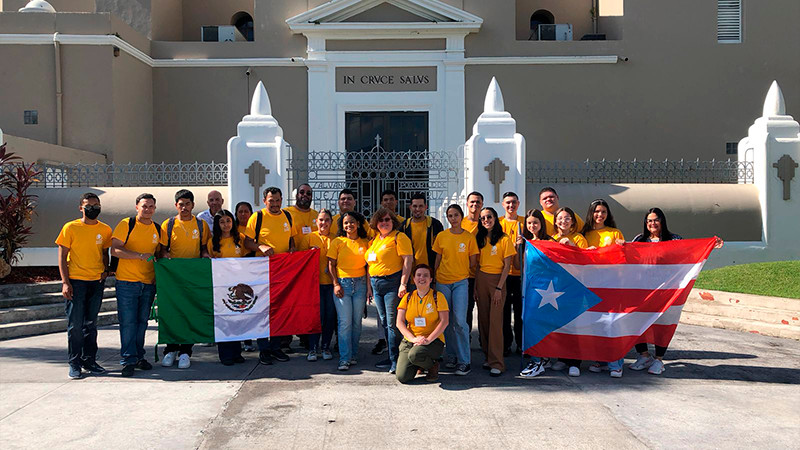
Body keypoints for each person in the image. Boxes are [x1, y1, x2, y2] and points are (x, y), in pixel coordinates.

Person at [629, 207, 723, 375]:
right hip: (644, 291)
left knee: (664, 325)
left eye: (656, 220)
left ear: (662, 221)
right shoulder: (640, 239)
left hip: (668, 292)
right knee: (639, 322)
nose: (653, 223)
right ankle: (644, 356)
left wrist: (709, 246)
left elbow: (689, 253)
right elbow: (628, 257)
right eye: (649, 220)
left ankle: (658, 359)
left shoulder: (674, 239)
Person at [55, 192, 112, 379]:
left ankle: (90, 361)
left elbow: (105, 253)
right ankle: (74, 363)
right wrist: (65, 282)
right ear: (81, 207)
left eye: (96, 205)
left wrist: (105, 270)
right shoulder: (70, 227)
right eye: (89, 205)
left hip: (96, 282)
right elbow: (62, 257)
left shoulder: (105, 229)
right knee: (75, 326)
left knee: (91, 325)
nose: (93, 208)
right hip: (76, 282)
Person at [244, 187, 298, 365]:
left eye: (277, 200)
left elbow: (291, 238)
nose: (274, 204)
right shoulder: (257, 217)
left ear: (281, 200)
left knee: (280, 309)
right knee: (262, 311)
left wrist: (291, 248)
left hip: (282, 271)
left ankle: (276, 347)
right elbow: (247, 242)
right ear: (264, 200)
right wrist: (260, 247)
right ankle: (264, 349)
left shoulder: (288, 216)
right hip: (261, 271)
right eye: (271, 200)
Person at [110, 193, 162, 377]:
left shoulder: (157, 228)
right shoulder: (127, 224)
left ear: (155, 209)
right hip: (127, 282)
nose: (147, 209)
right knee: (128, 323)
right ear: (137, 207)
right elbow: (115, 250)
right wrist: (139, 255)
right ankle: (128, 360)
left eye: (151, 207)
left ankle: (139, 356)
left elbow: (159, 253)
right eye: (144, 206)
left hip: (148, 283)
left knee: (141, 323)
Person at [160, 189, 211, 369]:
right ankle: (170, 350)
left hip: (193, 277)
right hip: (173, 277)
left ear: (193, 205)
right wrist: (166, 257)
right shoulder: (168, 224)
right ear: (176, 205)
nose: (184, 207)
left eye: (187, 204)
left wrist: (205, 256)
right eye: (181, 204)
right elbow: (163, 250)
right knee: (172, 313)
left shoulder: (201, 225)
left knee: (190, 313)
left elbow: (204, 248)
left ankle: (185, 352)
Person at [366, 207, 414, 373]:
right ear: (376, 223)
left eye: (387, 220)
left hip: (392, 283)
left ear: (393, 222)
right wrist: (369, 287)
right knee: (385, 322)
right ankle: (391, 355)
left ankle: (397, 360)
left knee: (393, 323)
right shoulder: (375, 240)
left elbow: (408, 260)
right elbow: (370, 265)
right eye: (381, 220)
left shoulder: (399, 237)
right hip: (376, 284)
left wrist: (403, 283)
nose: (384, 223)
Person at [582, 200, 626, 378]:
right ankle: (599, 359)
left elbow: (624, 258)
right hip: (591, 283)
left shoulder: (615, 233)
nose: (600, 215)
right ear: (591, 213)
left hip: (611, 283)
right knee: (595, 322)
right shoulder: (584, 234)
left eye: (603, 212)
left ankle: (615, 363)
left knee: (612, 322)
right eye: (597, 211)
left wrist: (623, 248)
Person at [433, 204, 478, 376]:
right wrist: (435, 279)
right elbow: (438, 258)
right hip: (442, 282)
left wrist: (461, 269)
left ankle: (464, 360)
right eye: (450, 216)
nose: (453, 219)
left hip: (460, 282)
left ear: (461, 216)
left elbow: (473, 261)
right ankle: (450, 355)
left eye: (456, 215)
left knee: (460, 321)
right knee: (446, 321)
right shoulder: (441, 236)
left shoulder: (469, 237)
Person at [327, 211, 372, 371]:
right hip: (343, 285)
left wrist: (368, 288)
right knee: (344, 322)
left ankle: (353, 354)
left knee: (356, 322)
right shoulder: (337, 242)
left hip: (360, 285)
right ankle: (344, 358)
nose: (349, 225)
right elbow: (331, 264)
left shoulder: (365, 242)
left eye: (352, 222)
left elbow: (369, 267)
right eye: (346, 223)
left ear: (358, 224)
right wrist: (335, 284)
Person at [474, 207, 516, 377]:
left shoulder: (504, 239)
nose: (486, 220)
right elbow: (477, 265)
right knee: (483, 321)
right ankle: (487, 356)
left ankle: (497, 362)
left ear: (495, 218)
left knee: (495, 322)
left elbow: (507, 266)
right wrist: (476, 287)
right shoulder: (480, 238)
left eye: (489, 217)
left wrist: (499, 288)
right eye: (483, 218)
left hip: (498, 281)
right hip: (482, 280)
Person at [395, 264, 450, 383]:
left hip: (432, 341)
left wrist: (428, 340)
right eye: (418, 275)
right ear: (413, 279)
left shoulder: (438, 297)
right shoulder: (407, 297)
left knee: (415, 354)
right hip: (411, 340)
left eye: (426, 275)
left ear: (431, 279)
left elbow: (444, 321)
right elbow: (399, 322)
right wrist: (413, 339)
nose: (422, 278)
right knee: (402, 377)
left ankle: (431, 366)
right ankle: (419, 363)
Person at [207, 209, 247, 366]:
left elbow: (246, 260)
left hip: (237, 285)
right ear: (217, 224)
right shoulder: (213, 242)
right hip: (221, 287)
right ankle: (225, 354)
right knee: (223, 320)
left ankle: (237, 352)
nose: (225, 225)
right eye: (222, 222)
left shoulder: (240, 239)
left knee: (236, 318)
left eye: (228, 221)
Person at [519, 209, 555, 378]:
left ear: (541, 224)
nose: (532, 226)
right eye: (529, 223)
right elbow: (519, 266)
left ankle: (538, 359)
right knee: (529, 322)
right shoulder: (525, 242)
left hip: (547, 289)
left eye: (535, 222)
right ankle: (540, 356)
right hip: (530, 288)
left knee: (538, 323)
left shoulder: (549, 242)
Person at [552, 206, 587, 376]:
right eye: (560, 218)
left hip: (575, 287)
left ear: (572, 221)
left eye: (567, 218)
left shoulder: (579, 238)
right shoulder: (552, 239)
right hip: (557, 288)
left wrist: (571, 246)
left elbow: (584, 261)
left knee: (574, 325)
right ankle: (562, 358)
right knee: (560, 324)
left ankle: (575, 362)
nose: (563, 221)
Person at [284, 183, 318, 352]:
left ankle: (306, 337)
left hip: (311, 269)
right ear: (296, 195)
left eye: (309, 193)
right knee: (288, 303)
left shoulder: (316, 215)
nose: (305, 195)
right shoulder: (287, 213)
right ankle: (284, 340)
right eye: (302, 192)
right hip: (292, 267)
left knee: (307, 304)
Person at [306, 209, 337, 362]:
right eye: (321, 220)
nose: (323, 223)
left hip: (331, 284)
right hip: (314, 285)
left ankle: (325, 346)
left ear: (331, 223)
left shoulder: (336, 239)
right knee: (316, 317)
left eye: (327, 220)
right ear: (316, 222)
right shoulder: (310, 237)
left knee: (329, 316)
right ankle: (312, 348)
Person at [498, 192, 525, 356]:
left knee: (521, 311)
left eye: (514, 202)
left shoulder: (524, 222)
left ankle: (522, 344)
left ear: (518, 203)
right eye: (508, 203)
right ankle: (506, 343)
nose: (511, 205)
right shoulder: (498, 223)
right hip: (504, 274)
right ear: (503, 205)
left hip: (521, 274)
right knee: (505, 311)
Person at [399, 192, 443, 272]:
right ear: (410, 207)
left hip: (430, 273)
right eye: (415, 206)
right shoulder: (403, 227)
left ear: (426, 207)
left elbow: (441, 250)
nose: (418, 209)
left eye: (421, 206)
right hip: (410, 274)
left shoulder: (435, 225)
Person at [462, 191, 483, 335]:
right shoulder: (460, 222)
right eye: (472, 202)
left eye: (478, 202)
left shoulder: (487, 222)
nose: (475, 204)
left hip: (484, 273)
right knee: (467, 309)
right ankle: (466, 339)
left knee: (484, 309)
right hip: (466, 274)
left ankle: (485, 342)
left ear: (482, 204)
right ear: (467, 204)